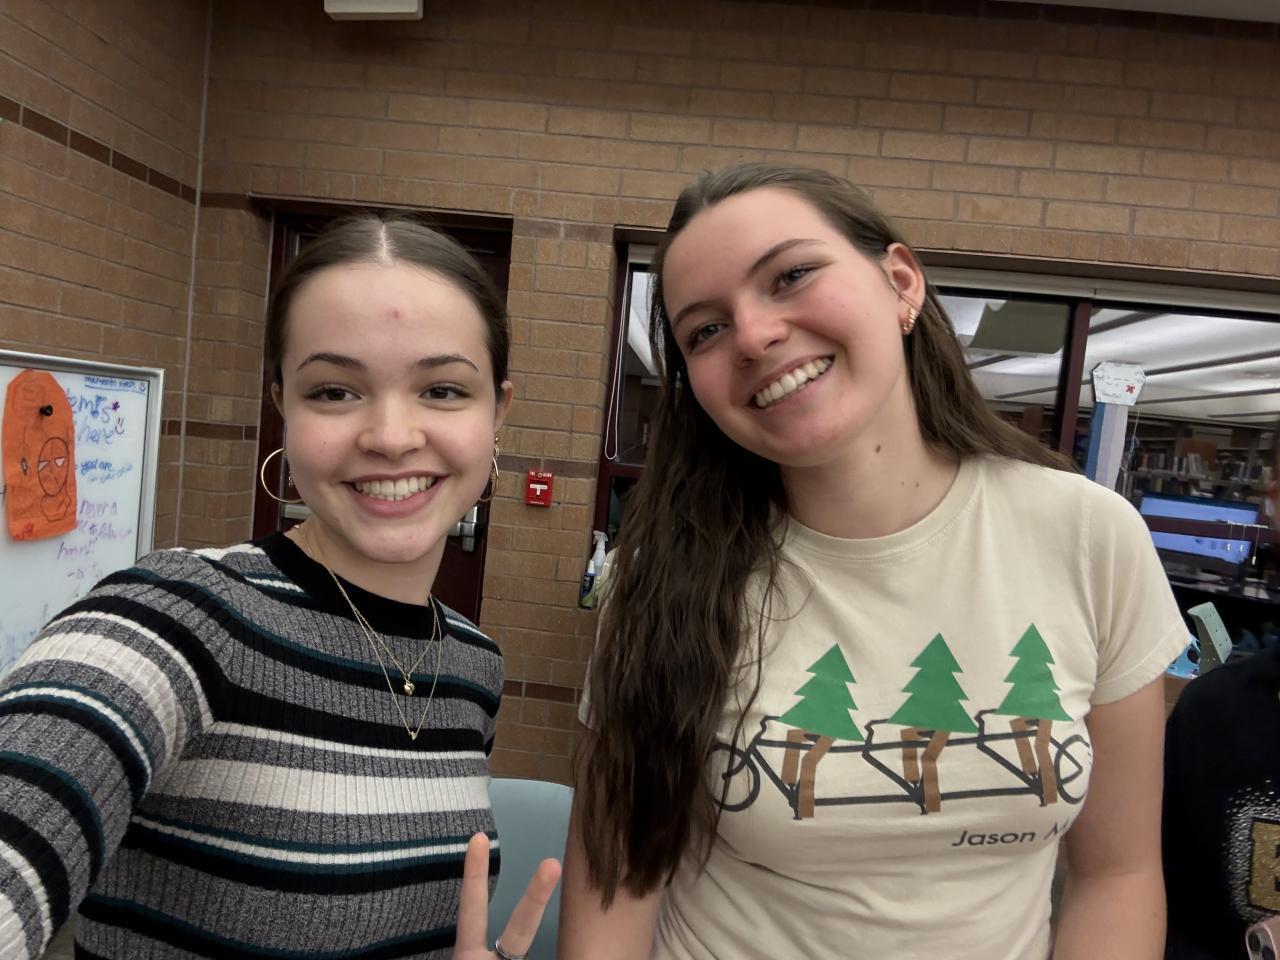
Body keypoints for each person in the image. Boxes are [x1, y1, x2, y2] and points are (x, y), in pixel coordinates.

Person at [559, 164, 1187, 960]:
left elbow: (1117, 875)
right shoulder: (659, 577)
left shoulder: (1091, 536)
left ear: (901, 284)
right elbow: (618, 878)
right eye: (705, 331)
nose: (753, 335)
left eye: (791, 276)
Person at [0, 215, 558, 959]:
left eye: (443, 389)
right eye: (334, 391)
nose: (392, 436)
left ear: (498, 412)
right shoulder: (181, 615)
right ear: (283, 409)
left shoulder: (472, 665)